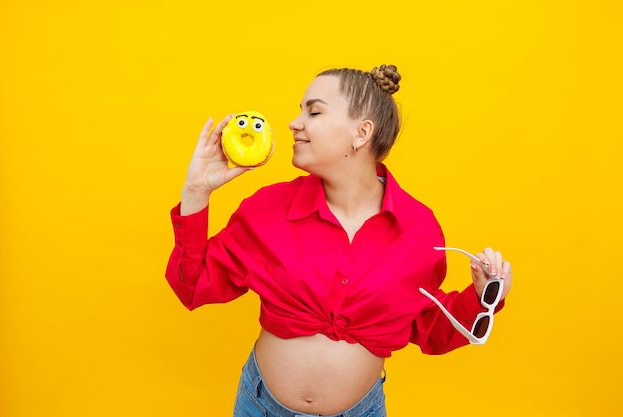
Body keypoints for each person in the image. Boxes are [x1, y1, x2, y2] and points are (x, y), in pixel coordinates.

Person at [165, 64, 512, 417]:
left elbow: (428, 327)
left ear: (361, 133)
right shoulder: (267, 209)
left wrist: (484, 296)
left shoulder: (419, 230)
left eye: (313, 111)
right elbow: (193, 286)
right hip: (260, 407)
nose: (294, 122)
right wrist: (197, 191)